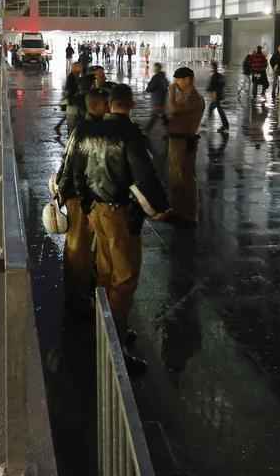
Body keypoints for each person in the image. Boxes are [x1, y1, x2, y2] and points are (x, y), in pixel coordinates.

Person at [63, 85, 168, 373]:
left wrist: (83, 202)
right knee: (124, 280)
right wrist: (161, 208)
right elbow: (145, 177)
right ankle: (114, 347)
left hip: (95, 210)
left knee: (105, 272)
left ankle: (104, 328)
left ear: (110, 105)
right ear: (131, 104)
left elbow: (76, 170)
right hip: (119, 213)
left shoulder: (89, 131)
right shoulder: (129, 134)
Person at [53, 89, 110, 312]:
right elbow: (77, 170)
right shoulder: (90, 131)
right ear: (95, 106)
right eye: (105, 104)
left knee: (77, 245)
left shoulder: (81, 128)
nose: (108, 108)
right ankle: (78, 298)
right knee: (78, 247)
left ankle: (77, 291)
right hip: (79, 196)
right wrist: (85, 201)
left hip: (74, 194)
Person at [160, 67, 204, 226]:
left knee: (184, 177)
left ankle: (189, 214)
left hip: (184, 141)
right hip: (177, 140)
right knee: (176, 177)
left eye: (177, 79)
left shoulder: (194, 98)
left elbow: (172, 109)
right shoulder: (185, 96)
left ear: (187, 79)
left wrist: (171, 93)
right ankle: (178, 210)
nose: (175, 83)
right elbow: (171, 113)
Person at [56, 60, 85, 135]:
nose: (81, 68)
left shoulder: (77, 75)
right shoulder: (71, 77)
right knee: (72, 119)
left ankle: (59, 126)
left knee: (71, 117)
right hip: (72, 101)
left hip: (74, 101)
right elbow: (70, 90)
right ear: (76, 68)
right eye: (79, 67)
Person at [144, 62, 169, 132]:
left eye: (154, 67)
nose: (153, 69)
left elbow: (149, 89)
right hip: (162, 100)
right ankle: (170, 130)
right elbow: (166, 87)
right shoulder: (163, 77)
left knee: (154, 117)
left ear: (156, 68)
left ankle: (146, 131)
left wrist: (149, 85)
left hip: (157, 101)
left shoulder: (156, 77)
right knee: (163, 117)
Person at [205, 61, 229, 130]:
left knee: (219, 110)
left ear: (213, 67)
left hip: (216, 96)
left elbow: (212, 87)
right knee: (211, 109)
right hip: (219, 95)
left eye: (211, 67)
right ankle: (206, 123)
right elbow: (223, 84)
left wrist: (213, 95)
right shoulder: (219, 75)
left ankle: (225, 125)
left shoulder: (214, 76)